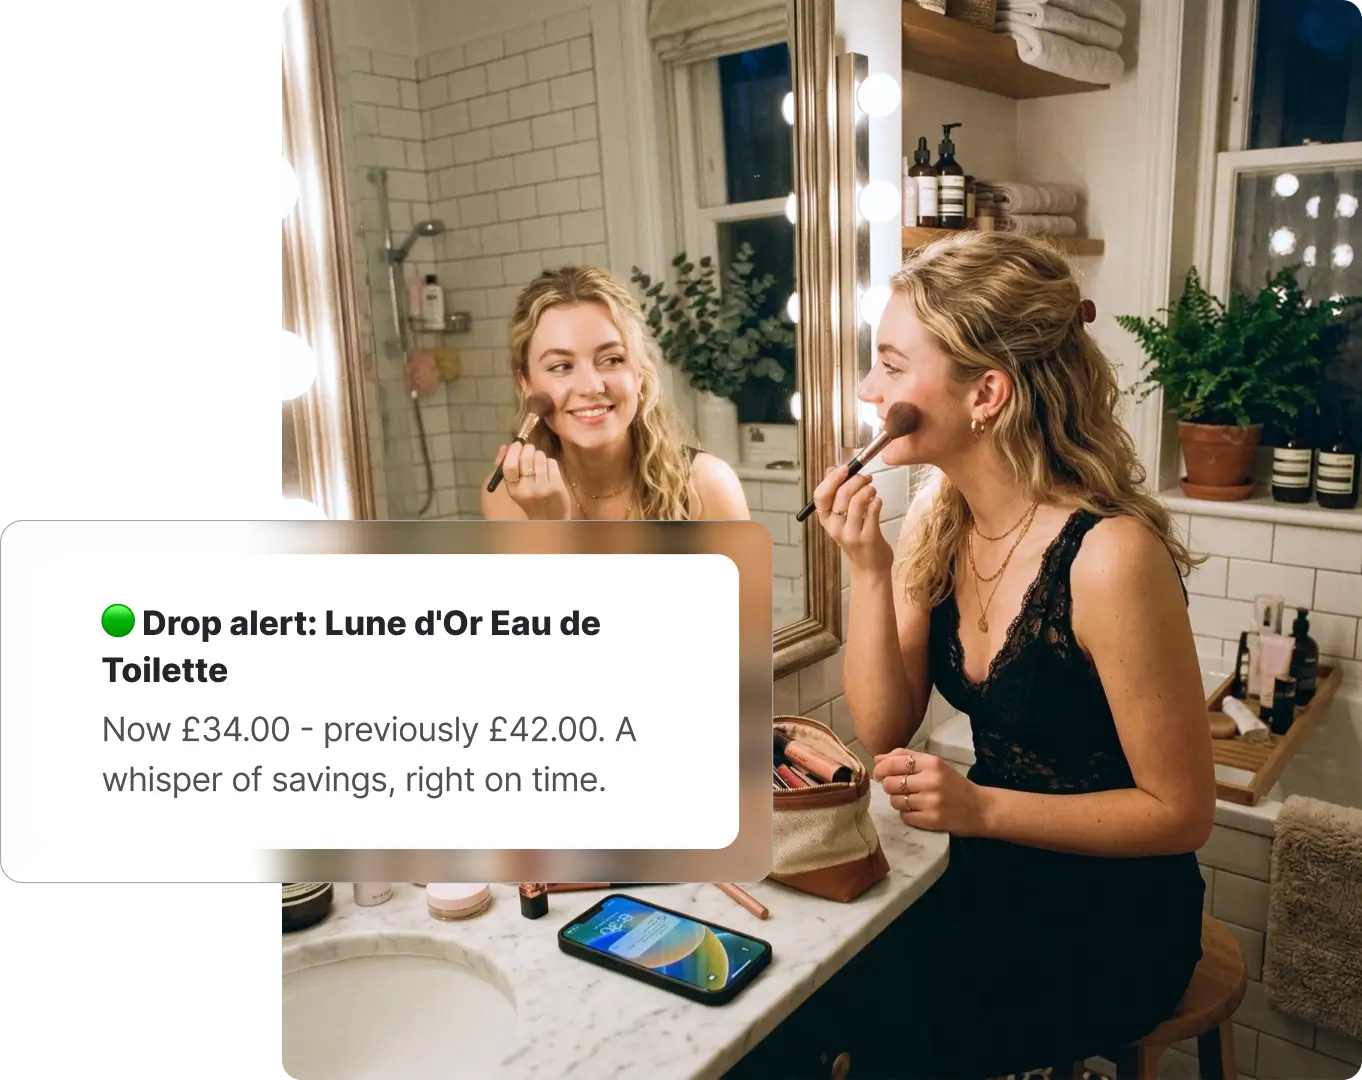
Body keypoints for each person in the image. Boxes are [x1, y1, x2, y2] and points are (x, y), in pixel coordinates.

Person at [810, 231, 1215, 1078]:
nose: (866, 389)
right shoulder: (939, 517)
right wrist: (866, 568)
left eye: (889, 365)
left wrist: (981, 808)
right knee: (839, 1001)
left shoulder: (1109, 556)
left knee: (905, 1030)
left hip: (1110, 914)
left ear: (985, 392)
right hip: (987, 873)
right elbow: (884, 725)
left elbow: (1180, 815)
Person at [480, 265, 750, 522]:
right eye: (561, 366)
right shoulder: (506, 496)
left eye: (612, 360)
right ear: (525, 382)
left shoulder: (708, 486)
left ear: (639, 372)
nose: (591, 387)